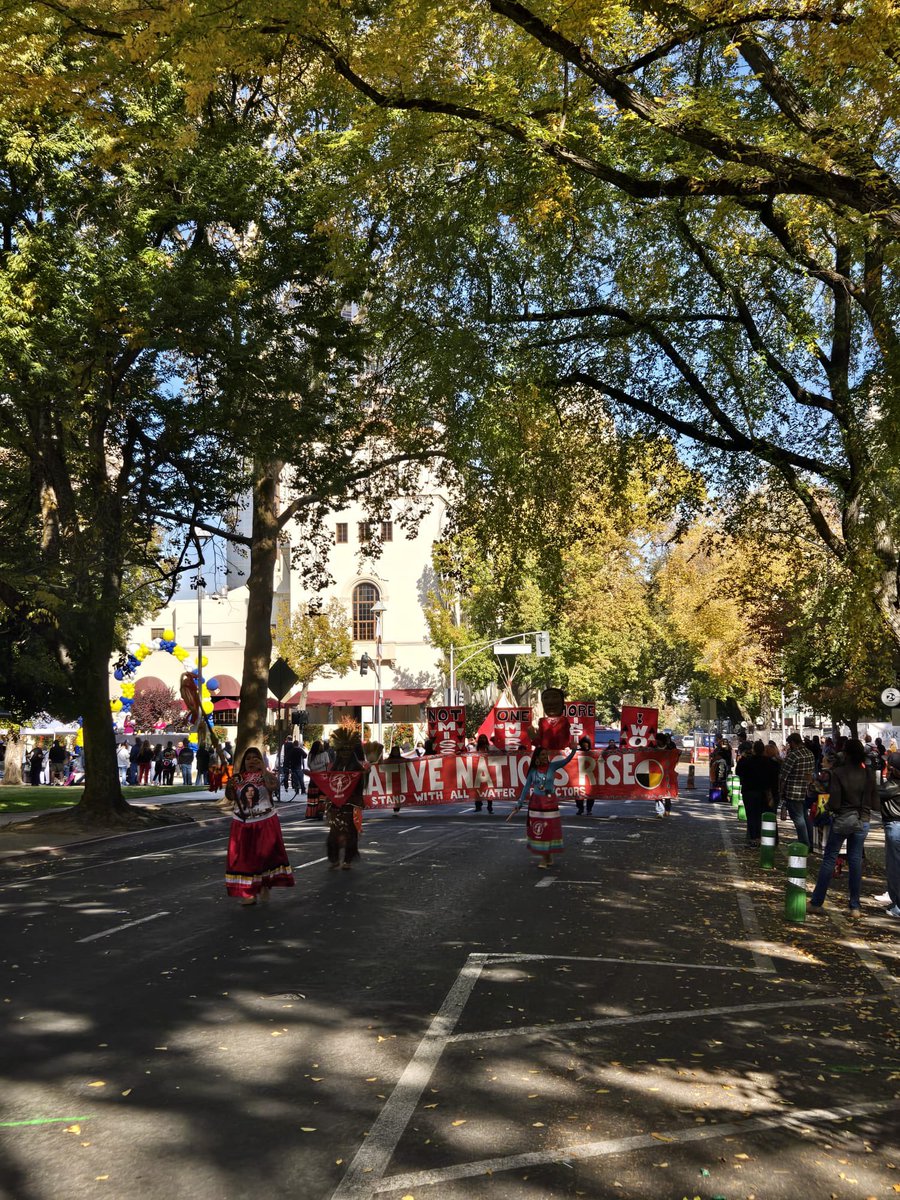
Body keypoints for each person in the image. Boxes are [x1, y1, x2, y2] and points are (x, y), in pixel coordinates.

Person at [809, 738, 875, 919]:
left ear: (845, 753)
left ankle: (816, 902)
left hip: (843, 819)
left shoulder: (838, 773)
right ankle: (855, 906)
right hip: (863, 819)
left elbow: (836, 802)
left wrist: (829, 809)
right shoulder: (868, 773)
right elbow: (874, 801)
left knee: (830, 858)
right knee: (855, 861)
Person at [225, 746, 294, 906]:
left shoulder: (267, 776)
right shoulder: (237, 778)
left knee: (265, 856)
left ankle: (264, 884)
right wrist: (229, 786)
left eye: (255, 758)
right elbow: (230, 796)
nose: (251, 761)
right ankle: (248, 892)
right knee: (244, 858)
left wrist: (263, 769)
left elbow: (273, 786)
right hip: (242, 823)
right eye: (248, 758)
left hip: (265, 821)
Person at [509, 744, 577, 867]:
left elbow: (567, 760)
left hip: (550, 803)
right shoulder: (533, 771)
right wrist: (519, 803)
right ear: (537, 757)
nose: (545, 757)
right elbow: (526, 788)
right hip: (536, 803)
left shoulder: (553, 766)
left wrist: (574, 749)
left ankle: (545, 858)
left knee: (548, 830)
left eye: (546, 755)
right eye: (542, 755)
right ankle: (546, 857)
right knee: (539, 830)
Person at [323, 728, 367, 870]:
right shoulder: (334, 767)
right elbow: (328, 783)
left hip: (351, 804)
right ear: (338, 752)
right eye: (342, 750)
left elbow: (363, 785)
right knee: (333, 834)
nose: (345, 753)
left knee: (350, 833)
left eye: (348, 750)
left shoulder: (357, 767)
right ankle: (334, 859)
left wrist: (364, 774)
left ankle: (348, 859)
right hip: (336, 805)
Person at [735, 740, 779, 846]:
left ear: (753, 750)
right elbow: (775, 778)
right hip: (765, 793)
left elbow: (738, 772)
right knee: (766, 815)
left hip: (749, 792)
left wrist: (743, 758)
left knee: (752, 816)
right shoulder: (771, 763)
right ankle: (770, 838)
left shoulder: (747, 761)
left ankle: (754, 838)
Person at [779, 732, 815, 847]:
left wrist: (780, 791)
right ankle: (811, 841)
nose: (789, 746)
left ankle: (804, 843)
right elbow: (810, 773)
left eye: (790, 743)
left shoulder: (793, 755)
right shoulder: (809, 754)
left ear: (793, 743)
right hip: (806, 790)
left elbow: (783, 775)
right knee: (805, 817)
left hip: (793, 792)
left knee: (798, 818)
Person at [875, 751, 900, 918]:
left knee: (895, 868)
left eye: (889, 766)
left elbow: (874, 792)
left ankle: (898, 906)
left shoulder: (891, 786)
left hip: (895, 827)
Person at [305, 739, 330, 819]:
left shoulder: (325, 754)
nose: (321, 747)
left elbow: (328, 764)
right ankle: (312, 813)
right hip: (315, 778)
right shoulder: (311, 755)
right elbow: (311, 766)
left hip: (322, 777)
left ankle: (320, 812)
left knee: (322, 796)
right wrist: (322, 764)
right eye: (320, 746)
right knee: (314, 796)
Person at [473, 733, 495, 814]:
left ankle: (489, 807)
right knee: (477, 788)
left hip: (488, 772)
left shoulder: (490, 748)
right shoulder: (476, 748)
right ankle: (478, 806)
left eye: (483, 738)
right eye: (481, 738)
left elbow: (498, 752)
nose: (482, 740)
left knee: (489, 789)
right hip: (478, 771)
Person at [574, 735, 593, 816]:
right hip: (578, 777)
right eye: (584, 744)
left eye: (587, 744)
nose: (586, 746)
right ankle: (580, 808)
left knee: (591, 795)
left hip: (590, 778)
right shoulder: (576, 752)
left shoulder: (592, 752)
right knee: (578, 794)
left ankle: (589, 809)